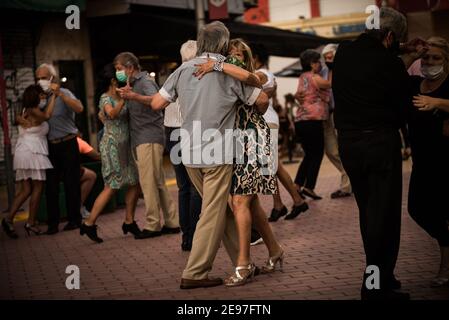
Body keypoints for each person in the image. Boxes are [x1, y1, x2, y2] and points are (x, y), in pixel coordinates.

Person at [147, 21, 269, 289]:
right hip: (217, 151)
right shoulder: (228, 72)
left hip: (188, 150)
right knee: (212, 211)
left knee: (219, 209)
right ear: (223, 44)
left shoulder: (182, 69)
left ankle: (244, 263)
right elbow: (260, 100)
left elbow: (156, 103)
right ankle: (195, 272)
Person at [332, 7, 425, 300]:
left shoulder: (344, 52)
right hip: (379, 145)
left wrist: (399, 47)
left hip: (348, 146)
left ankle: (383, 275)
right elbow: (403, 110)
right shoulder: (389, 64)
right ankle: (375, 286)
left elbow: (372, 47)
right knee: (383, 217)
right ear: (388, 36)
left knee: (369, 213)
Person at [193, 38, 284, 286]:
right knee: (251, 204)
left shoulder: (248, 77)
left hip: (249, 139)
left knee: (239, 201)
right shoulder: (223, 79)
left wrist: (219, 66)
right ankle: (275, 251)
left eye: (240, 54)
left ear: (248, 58)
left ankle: (243, 264)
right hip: (231, 142)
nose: (235, 57)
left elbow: (261, 97)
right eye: (230, 53)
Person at [115, 52, 180, 239]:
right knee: (158, 181)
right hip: (142, 137)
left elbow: (157, 102)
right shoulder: (133, 84)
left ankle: (152, 224)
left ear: (130, 67)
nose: (117, 72)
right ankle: (172, 222)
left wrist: (133, 96)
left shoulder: (144, 82)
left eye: (119, 68)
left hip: (148, 136)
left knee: (148, 182)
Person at [80, 64, 141, 243]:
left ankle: (129, 220)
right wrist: (123, 100)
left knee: (134, 182)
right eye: (119, 77)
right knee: (112, 185)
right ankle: (89, 223)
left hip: (125, 146)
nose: (123, 78)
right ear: (113, 81)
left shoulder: (123, 96)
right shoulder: (105, 98)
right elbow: (112, 114)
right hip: (111, 146)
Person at [407, 36, 449, 287]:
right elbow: (388, 76)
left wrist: (438, 103)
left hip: (446, 158)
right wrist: (411, 54)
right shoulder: (414, 84)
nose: (430, 62)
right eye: (426, 57)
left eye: (436, 58)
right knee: (417, 209)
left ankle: (445, 262)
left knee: (445, 210)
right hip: (422, 160)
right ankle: (446, 242)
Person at [252, 44, 308, 222]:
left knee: (271, 166)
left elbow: (249, 83)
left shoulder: (261, 73)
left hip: (267, 122)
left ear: (257, 58)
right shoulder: (261, 73)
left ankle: (294, 202)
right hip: (263, 122)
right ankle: (281, 204)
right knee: (270, 166)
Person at [35, 63, 84, 235]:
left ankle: (74, 220)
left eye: (43, 77)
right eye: (38, 78)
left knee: (72, 184)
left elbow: (79, 108)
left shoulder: (65, 93)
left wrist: (60, 94)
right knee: (51, 187)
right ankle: (53, 224)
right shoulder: (39, 98)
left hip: (68, 143)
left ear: (52, 78)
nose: (41, 81)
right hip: (50, 146)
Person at [1, 85, 56, 238]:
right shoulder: (33, 110)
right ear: (35, 96)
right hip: (32, 152)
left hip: (25, 151)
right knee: (37, 187)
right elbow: (47, 116)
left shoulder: (25, 110)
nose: (44, 98)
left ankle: (8, 219)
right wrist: (55, 98)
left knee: (26, 189)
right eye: (42, 96)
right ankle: (30, 223)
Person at [164, 40, 202, 251]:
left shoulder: (172, 75)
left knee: (183, 187)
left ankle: (186, 237)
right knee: (196, 187)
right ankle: (196, 236)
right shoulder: (196, 75)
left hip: (172, 134)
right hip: (189, 132)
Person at [293, 49, 331, 201]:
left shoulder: (302, 77)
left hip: (301, 122)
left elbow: (300, 96)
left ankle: (297, 186)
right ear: (311, 64)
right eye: (318, 62)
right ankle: (309, 187)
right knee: (317, 154)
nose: (320, 64)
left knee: (309, 155)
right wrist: (333, 69)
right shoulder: (314, 77)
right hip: (312, 121)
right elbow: (329, 84)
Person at [320, 44, 352, 199]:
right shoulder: (323, 71)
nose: (328, 60)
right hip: (326, 114)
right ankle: (351, 175)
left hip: (342, 112)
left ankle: (347, 185)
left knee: (345, 148)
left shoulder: (346, 68)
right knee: (331, 151)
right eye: (325, 57)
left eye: (330, 56)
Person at [77, 136, 100, 219]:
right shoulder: (78, 141)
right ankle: (79, 207)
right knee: (91, 175)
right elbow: (96, 156)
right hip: (68, 172)